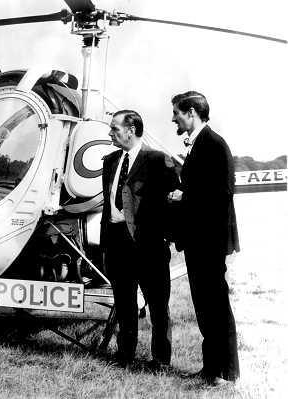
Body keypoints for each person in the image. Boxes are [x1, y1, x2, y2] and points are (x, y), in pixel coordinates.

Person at [168, 91, 240, 388]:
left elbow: (222, 192)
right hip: (198, 241)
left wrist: (186, 195)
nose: (173, 118)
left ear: (192, 113)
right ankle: (212, 369)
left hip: (208, 243)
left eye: (177, 113)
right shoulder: (200, 143)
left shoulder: (213, 143)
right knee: (205, 307)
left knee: (215, 306)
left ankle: (225, 372)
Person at [100, 110, 180, 370]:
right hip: (116, 243)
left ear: (131, 130)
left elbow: (172, 203)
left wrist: (164, 238)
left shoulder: (158, 160)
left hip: (149, 246)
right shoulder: (110, 160)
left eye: (115, 128)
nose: (110, 133)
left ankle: (160, 361)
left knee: (158, 306)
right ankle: (125, 355)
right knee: (124, 303)